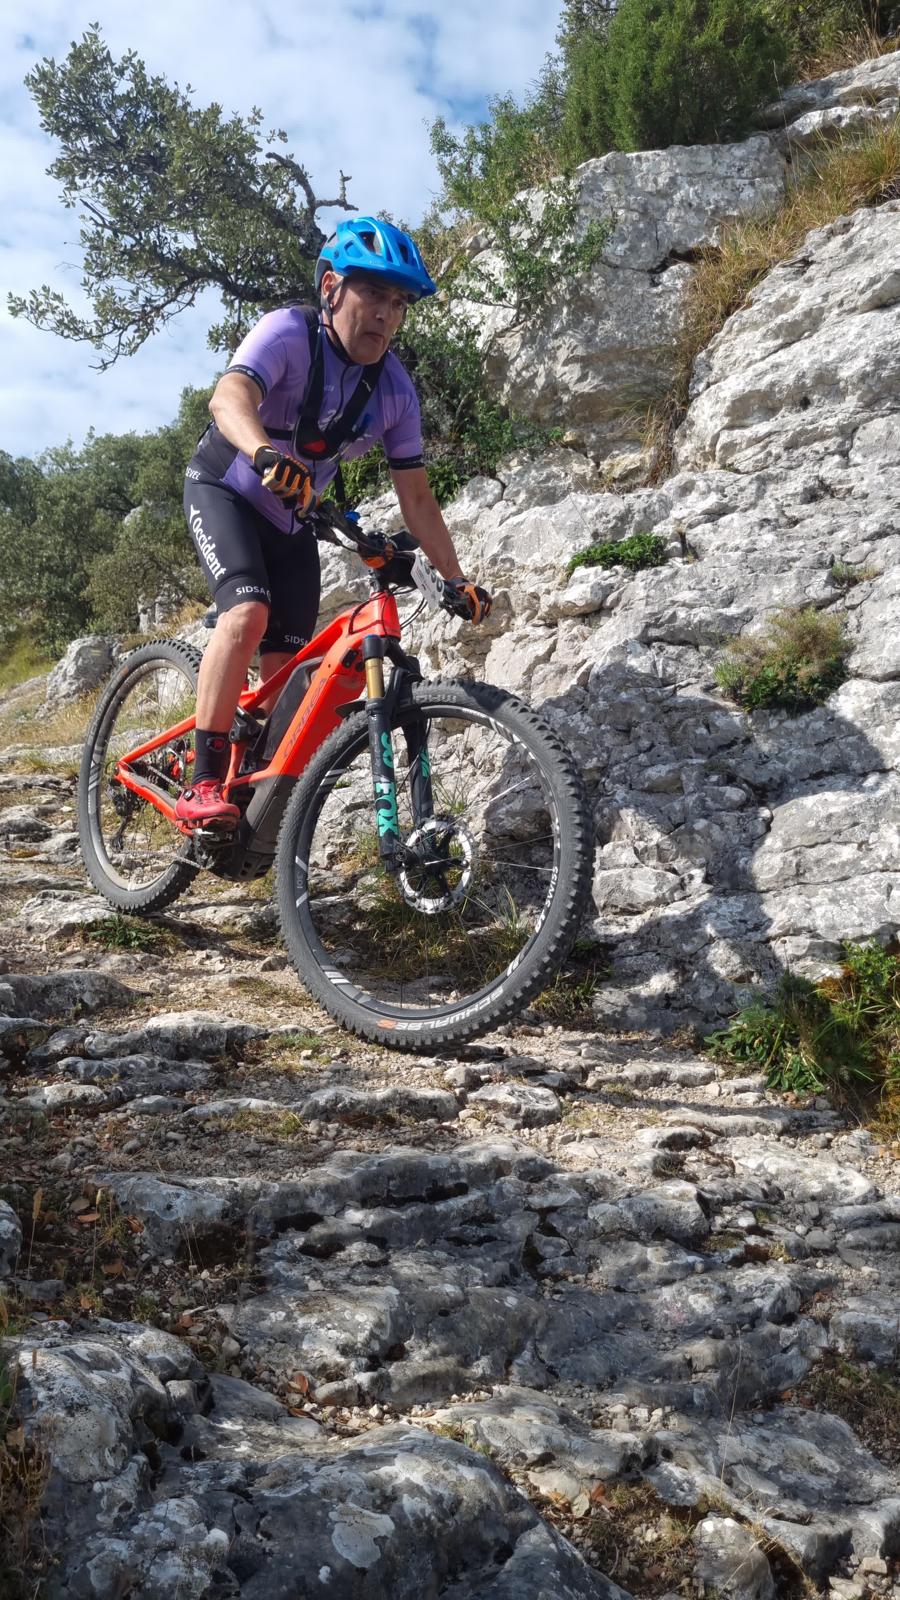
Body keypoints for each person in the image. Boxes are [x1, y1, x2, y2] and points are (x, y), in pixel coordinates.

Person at [175, 216, 492, 829]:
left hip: (294, 521)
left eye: (399, 303)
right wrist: (263, 452)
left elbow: (417, 497)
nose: (386, 314)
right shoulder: (286, 333)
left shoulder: (395, 391)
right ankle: (202, 780)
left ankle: (252, 807)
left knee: (289, 683)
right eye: (372, 293)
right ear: (330, 288)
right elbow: (228, 398)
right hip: (225, 488)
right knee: (247, 613)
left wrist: (455, 578)